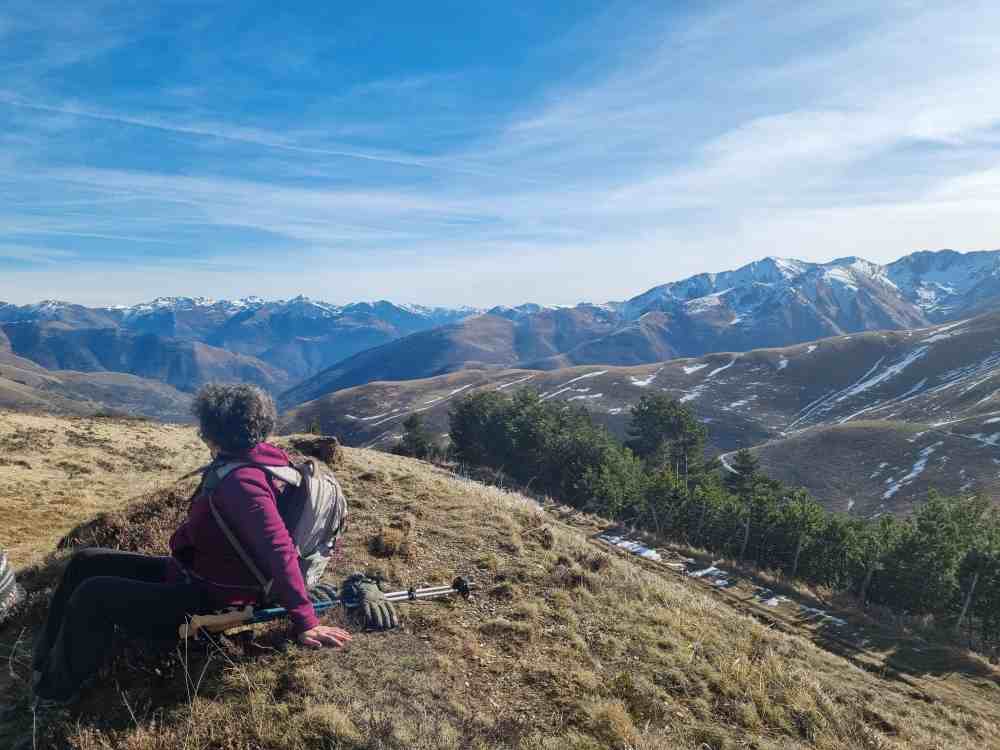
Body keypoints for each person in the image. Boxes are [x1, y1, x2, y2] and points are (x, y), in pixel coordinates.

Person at [31, 384, 352, 706]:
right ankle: (45, 659)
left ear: (213, 433)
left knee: (94, 594)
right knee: (86, 560)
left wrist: (305, 621)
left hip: (211, 598)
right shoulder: (267, 460)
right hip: (192, 573)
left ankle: (54, 693)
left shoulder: (242, 484)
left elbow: (278, 549)